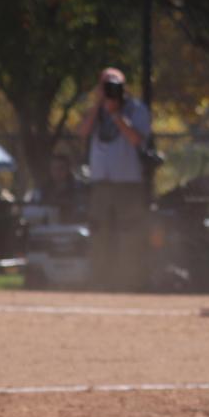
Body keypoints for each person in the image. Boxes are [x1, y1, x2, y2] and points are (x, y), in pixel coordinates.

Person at [77, 66, 153, 291]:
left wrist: (115, 114)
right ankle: (98, 281)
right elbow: (82, 132)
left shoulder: (136, 108)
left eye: (114, 85)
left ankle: (128, 283)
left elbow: (136, 139)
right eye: (105, 85)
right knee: (99, 232)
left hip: (128, 182)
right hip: (101, 182)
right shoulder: (95, 109)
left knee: (128, 235)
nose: (109, 90)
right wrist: (97, 106)